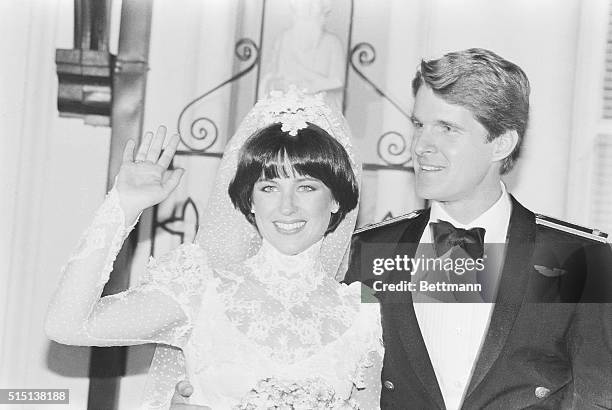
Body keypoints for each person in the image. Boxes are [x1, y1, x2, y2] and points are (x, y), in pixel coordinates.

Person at [45, 89, 383, 409]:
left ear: (337, 198)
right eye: (269, 187)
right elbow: (67, 325)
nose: (287, 207)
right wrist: (123, 206)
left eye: (306, 187)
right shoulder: (200, 291)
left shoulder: (365, 314)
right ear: (249, 201)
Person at [343, 48, 612, 409]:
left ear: (501, 143)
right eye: (419, 124)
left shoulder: (579, 258)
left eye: (448, 128)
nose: (421, 145)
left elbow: (598, 397)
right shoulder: (372, 248)